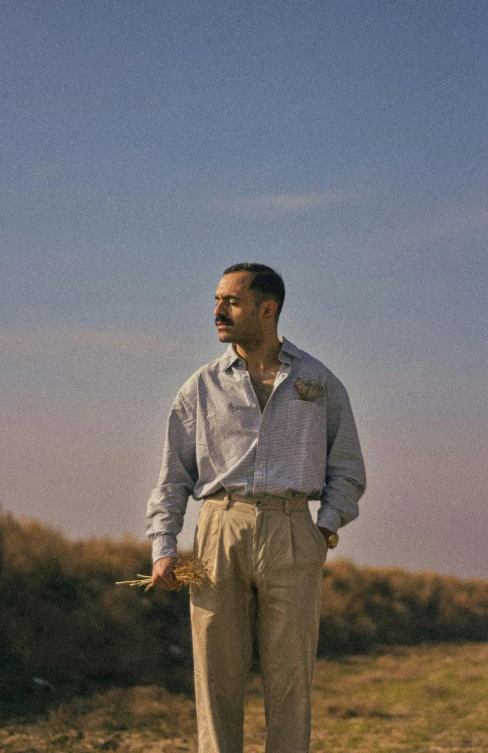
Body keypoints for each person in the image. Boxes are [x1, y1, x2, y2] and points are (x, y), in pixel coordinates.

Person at [146, 263, 366, 753]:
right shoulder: (200, 387)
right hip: (217, 532)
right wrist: (163, 547)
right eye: (217, 300)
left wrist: (323, 530)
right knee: (215, 676)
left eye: (232, 301)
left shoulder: (318, 381)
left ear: (268, 310)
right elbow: (172, 476)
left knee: (291, 677)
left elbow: (347, 468)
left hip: (293, 532)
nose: (218, 311)